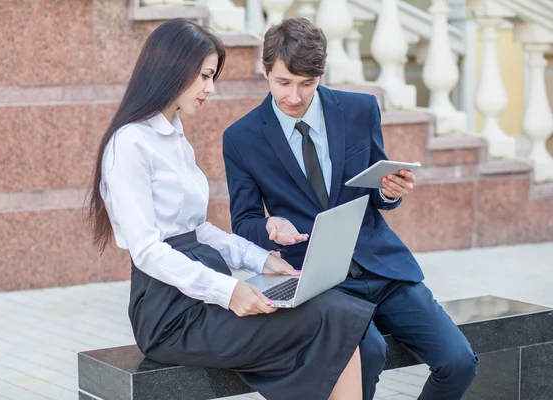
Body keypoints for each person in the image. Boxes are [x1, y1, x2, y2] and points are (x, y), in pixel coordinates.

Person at [86, 18, 376, 400]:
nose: (210, 88)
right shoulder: (130, 144)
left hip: (203, 291)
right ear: (172, 70)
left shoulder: (174, 136)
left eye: (212, 77)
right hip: (170, 314)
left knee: (334, 310)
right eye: (205, 76)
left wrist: (262, 261)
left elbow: (199, 230)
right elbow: (147, 251)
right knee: (332, 318)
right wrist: (228, 291)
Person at [222, 17, 479, 400]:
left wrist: (390, 191)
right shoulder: (241, 138)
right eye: (284, 82)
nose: (295, 96)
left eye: (307, 84)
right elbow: (243, 222)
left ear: (320, 75)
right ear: (266, 71)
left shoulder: (360, 109)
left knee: (459, 361)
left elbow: (377, 189)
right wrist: (270, 227)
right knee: (369, 354)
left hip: (384, 267)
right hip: (320, 280)